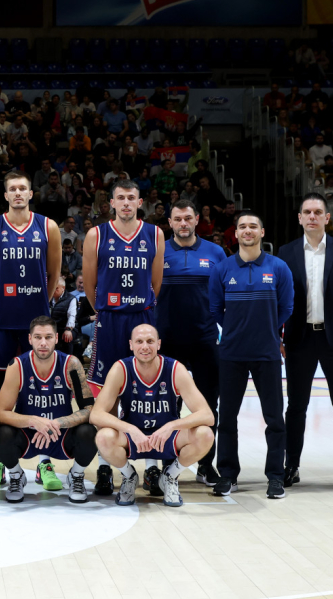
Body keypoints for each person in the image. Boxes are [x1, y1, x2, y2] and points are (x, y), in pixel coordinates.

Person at [0, 171, 61, 492]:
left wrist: (40, 309)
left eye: (22, 188)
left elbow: (53, 273)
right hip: (1, 323)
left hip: (36, 325)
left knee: (42, 392)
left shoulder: (48, 227)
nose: (17, 193)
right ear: (5, 195)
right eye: (12, 189)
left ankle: (44, 461)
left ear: (30, 193)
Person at [278, 193, 333, 493]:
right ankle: (291, 466)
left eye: (318, 212)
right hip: (299, 338)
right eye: (307, 212)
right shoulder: (286, 252)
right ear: (300, 218)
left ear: (327, 218)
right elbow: (278, 297)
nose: (312, 216)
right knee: (296, 407)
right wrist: (276, 334)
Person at [81, 179, 164, 496]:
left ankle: (152, 467)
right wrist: (106, 310)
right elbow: (90, 284)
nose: (126, 202)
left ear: (140, 202)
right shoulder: (96, 234)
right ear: (111, 203)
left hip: (142, 318)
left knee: (149, 392)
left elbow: (156, 283)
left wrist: (138, 308)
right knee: (108, 396)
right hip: (110, 319)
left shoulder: (154, 234)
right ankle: (105, 466)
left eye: (131, 197)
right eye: (121, 198)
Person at [209, 211, 294, 499]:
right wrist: (237, 329)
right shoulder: (222, 269)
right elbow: (215, 309)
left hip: (267, 353)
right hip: (231, 353)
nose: (248, 230)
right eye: (242, 226)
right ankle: (228, 475)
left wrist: (267, 329)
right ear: (236, 233)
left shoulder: (279, 268)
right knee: (227, 418)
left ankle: (276, 476)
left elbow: (286, 307)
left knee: (274, 418)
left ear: (262, 232)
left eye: (253, 226)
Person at [91, 324, 215, 507]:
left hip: (166, 437)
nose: (145, 347)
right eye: (139, 341)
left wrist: (171, 426)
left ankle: (170, 476)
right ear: (131, 345)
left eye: (150, 341)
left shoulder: (175, 369)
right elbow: (96, 414)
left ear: (158, 344)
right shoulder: (121, 368)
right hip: (133, 437)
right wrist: (130, 429)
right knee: (103, 437)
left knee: (205, 434)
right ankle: (129, 477)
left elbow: (207, 415)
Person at [156, 200, 227, 488]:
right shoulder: (159, 251)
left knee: (208, 405)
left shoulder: (216, 252)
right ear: (170, 222)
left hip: (205, 339)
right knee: (165, 406)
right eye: (177, 219)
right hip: (167, 342)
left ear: (197, 219)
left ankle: (206, 465)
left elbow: (225, 294)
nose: (183, 223)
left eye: (188, 218)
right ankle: (166, 465)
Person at [0, 316, 97, 504]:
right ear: (29, 339)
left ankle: (76, 475)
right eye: (38, 337)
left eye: (48, 337)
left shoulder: (71, 364)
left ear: (56, 338)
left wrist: (58, 423)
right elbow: (0, 413)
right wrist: (33, 420)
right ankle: (16, 476)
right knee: (1, 433)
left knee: (89, 432)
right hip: (28, 435)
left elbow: (90, 409)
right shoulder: (17, 366)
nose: (43, 343)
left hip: (60, 434)